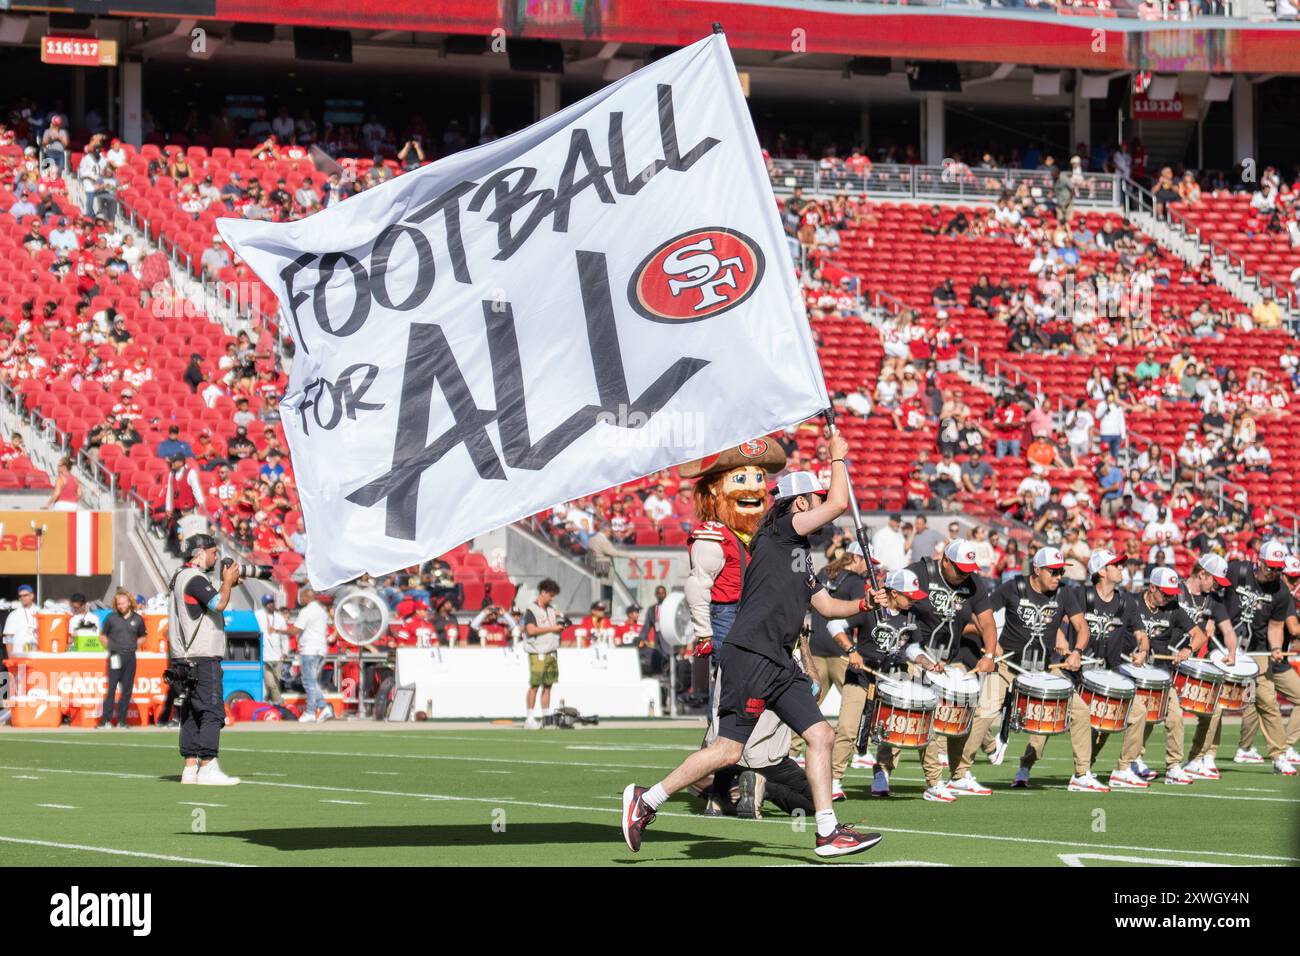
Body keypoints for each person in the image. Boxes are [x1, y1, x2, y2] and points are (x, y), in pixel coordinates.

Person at [621, 435, 887, 858]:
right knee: (728, 749)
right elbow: (838, 503)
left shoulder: (798, 552)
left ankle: (826, 833)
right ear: (799, 503)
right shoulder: (780, 528)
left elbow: (824, 604)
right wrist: (837, 456)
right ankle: (646, 799)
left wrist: (863, 603)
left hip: (778, 660)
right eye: (813, 498)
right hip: (751, 654)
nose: (820, 505)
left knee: (820, 735)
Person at [874, 539, 998, 798]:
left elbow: (987, 622)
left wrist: (988, 654)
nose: (965, 574)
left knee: (961, 714)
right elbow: (890, 590)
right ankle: (883, 770)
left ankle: (959, 775)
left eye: (969, 569)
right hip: (914, 653)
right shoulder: (921, 573)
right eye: (960, 568)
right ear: (945, 561)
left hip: (949, 660)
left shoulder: (974, 584)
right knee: (905, 713)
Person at [994, 547, 1091, 790]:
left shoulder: (1064, 593)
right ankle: (960, 773)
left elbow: (1082, 627)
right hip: (1010, 665)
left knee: (1078, 711)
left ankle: (1081, 775)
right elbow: (983, 612)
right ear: (1037, 570)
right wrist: (990, 645)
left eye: (1061, 571)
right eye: (1054, 571)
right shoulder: (1013, 587)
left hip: (1045, 667)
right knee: (983, 712)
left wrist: (1077, 652)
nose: (1058, 576)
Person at [794, 541, 879, 800]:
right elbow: (858, 615)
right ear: (856, 558)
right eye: (867, 563)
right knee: (859, 706)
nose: (869, 569)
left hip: (817, 648)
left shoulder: (823, 573)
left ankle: (791, 752)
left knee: (804, 705)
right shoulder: (855, 582)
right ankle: (858, 753)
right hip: (842, 652)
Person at [1220, 541, 1299, 775]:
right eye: (1270, 567)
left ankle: (1279, 755)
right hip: (1224, 645)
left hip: (1258, 649)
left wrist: (1275, 648)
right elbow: (1217, 599)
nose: (1274, 573)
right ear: (1259, 561)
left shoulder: (1281, 592)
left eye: (1278, 569)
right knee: (1216, 705)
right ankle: (1204, 757)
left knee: (1268, 701)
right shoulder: (1237, 571)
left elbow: (1275, 628)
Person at [169, 534, 242, 785]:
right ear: (199, 554)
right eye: (212, 552)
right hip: (202, 657)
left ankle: (190, 767)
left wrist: (228, 583)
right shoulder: (194, 578)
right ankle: (208, 766)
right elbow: (218, 603)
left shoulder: (179, 576)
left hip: (182, 657)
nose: (216, 557)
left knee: (190, 712)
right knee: (211, 711)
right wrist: (227, 583)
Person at [1131, 568, 1208, 785]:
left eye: (1172, 593)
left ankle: (1174, 767)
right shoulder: (1132, 603)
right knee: (1140, 718)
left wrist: (1188, 650)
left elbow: (1199, 635)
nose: (1169, 597)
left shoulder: (1174, 608)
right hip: (1134, 671)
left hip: (1162, 674)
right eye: (1165, 593)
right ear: (1152, 587)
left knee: (1175, 717)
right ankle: (1130, 761)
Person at [97, 589, 147, 728]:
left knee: (126, 690)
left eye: (123, 603)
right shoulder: (111, 618)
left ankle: (122, 721)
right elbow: (102, 636)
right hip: (115, 656)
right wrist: (111, 647)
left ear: (129, 602)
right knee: (111, 688)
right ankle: (105, 721)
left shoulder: (137, 619)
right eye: (118, 604)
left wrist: (133, 646)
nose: (121, 606)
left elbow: (143, 636)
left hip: (130, 656)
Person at [523, 579, 565, 730]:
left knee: (548, 685)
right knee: (535, 685)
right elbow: (531, 630)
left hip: (551, 651)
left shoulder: (551, 609)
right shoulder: (531, 610)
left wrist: (561, 624)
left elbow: (554, 625)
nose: (552, 598)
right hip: (538, 651)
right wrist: (552, 628)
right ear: (543, 592)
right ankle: (529, 718)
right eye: (551, 595)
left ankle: (546, 718)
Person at [287, 589, 331, 722]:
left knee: (308, 681)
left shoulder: (306, 611)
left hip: (309, 649)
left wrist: (279, 630)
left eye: (301, 596)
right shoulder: (321, 611)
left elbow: (296, 629)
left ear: (307, 597)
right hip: (320, 649)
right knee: (312, 680)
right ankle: (323, 707)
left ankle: (311, 711)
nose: (300, 599)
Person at [255, 594, 288, 705]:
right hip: (264, 656)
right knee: (270, 684)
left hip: (278, 656)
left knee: (276, 683)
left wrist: (285, 652)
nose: (271, 605)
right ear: (265, 605)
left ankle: (268, 702)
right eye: (269, 603)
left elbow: (284, 637)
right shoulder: (258, 615)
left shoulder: (279, 618)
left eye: (272, 602)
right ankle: (279, 703)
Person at [3, 584, 39, 656]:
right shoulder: (14, 614)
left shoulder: (41, 612)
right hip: (20, 655)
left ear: (32, 596)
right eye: (20, 596)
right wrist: (11, 657)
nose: (22, 598)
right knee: (21, 668)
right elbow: (8, 638)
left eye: (25, 595)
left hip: (38, 654)